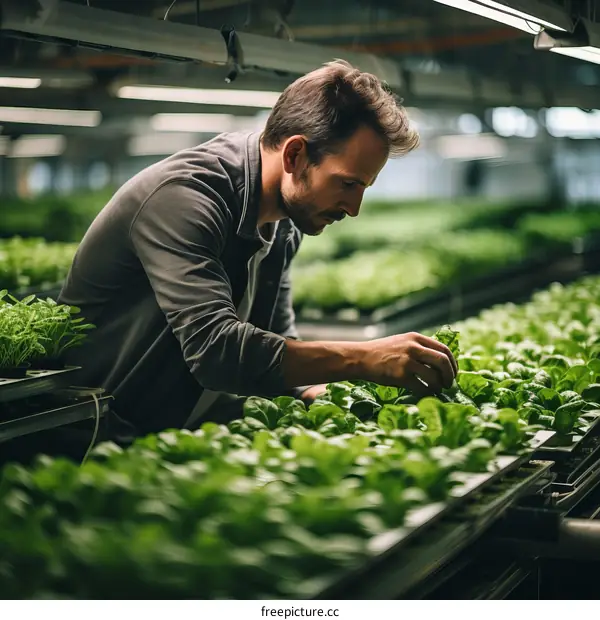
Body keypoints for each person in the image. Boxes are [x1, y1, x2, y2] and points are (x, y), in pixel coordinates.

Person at [57, 59, 458, 445]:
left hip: (170, 436)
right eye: (348, 184)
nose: (353, 209)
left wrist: (319, 396)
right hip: (94, 439)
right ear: (295, 155)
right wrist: (364, 358)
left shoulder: (287, 220)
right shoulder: (184, 198)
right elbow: (217, 351)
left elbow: (274, 341)